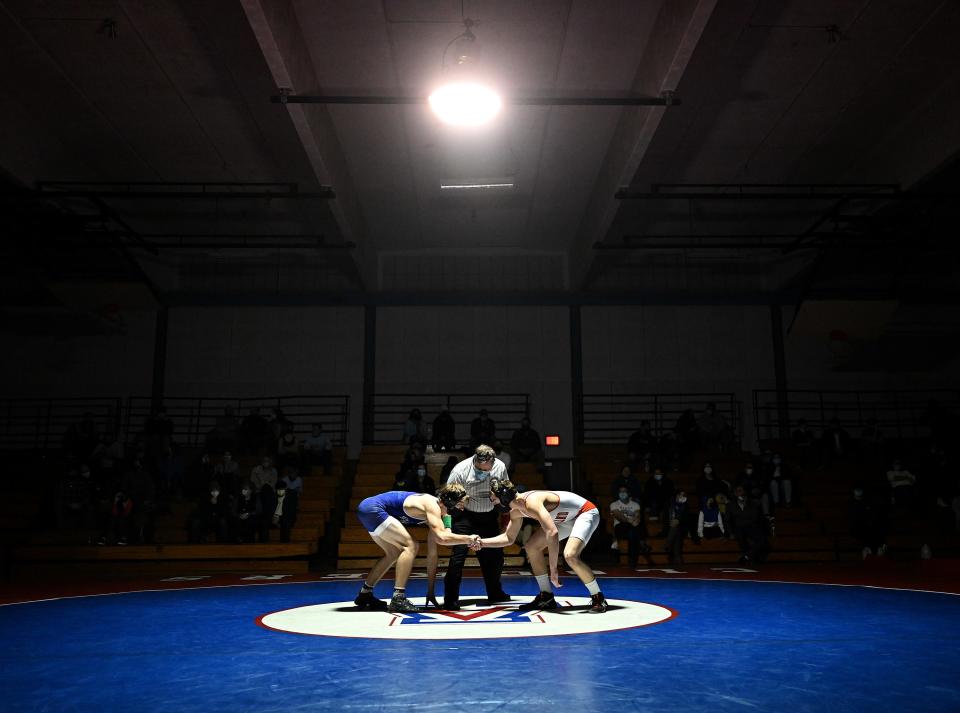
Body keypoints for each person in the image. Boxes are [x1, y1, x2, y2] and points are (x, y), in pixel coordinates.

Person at [482, 479, 608, 613]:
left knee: (570, 555)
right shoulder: (516, 511)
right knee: (531, 547)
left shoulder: (531, 502)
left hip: (584, 513)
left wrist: (553, 569)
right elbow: (508, 538)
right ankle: (546, 596)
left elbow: (552, 533)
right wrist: (482, 542)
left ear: (504, 497)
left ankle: (598, 598)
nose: (492, 501)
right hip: (563, 519)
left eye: (493, 498)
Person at [353, 484, 482, 613]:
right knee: (411, 545)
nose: (462, 509)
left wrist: (430, 592)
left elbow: (434, 552)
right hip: (373, 508)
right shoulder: (431, 505)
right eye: (460, 504)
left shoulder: (436, 513)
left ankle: (365, 593)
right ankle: (398, 598)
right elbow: (442, 538)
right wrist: (468, 539)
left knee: (393, 553)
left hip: (368, 509)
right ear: (450, 502)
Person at [441, 445, 512, 610]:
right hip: (464, 517)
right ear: (476, 460)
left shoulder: (500, 467)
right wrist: (447, 528)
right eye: (480, 469)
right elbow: (447, 502)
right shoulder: (460, 471)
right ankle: (450, 598)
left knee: (495, 557)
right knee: (457, 558)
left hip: (488, 515)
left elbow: (505, 494)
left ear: (493, 462)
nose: (484, 472)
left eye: (488, 469)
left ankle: (495, 592)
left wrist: (505, 521)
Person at [609, 485, 653, 567]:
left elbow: (638, 516)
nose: (622, 493)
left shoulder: (635, 504)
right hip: (620, 527)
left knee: (633, 533)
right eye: (620, 492)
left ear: (628, 493)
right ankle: (642, 545)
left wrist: (635, 520)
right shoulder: (614, 504)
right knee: (634, 529)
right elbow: (619, 516)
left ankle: (632, 560)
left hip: (632, 527)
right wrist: (630, 520)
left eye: (624, 491)